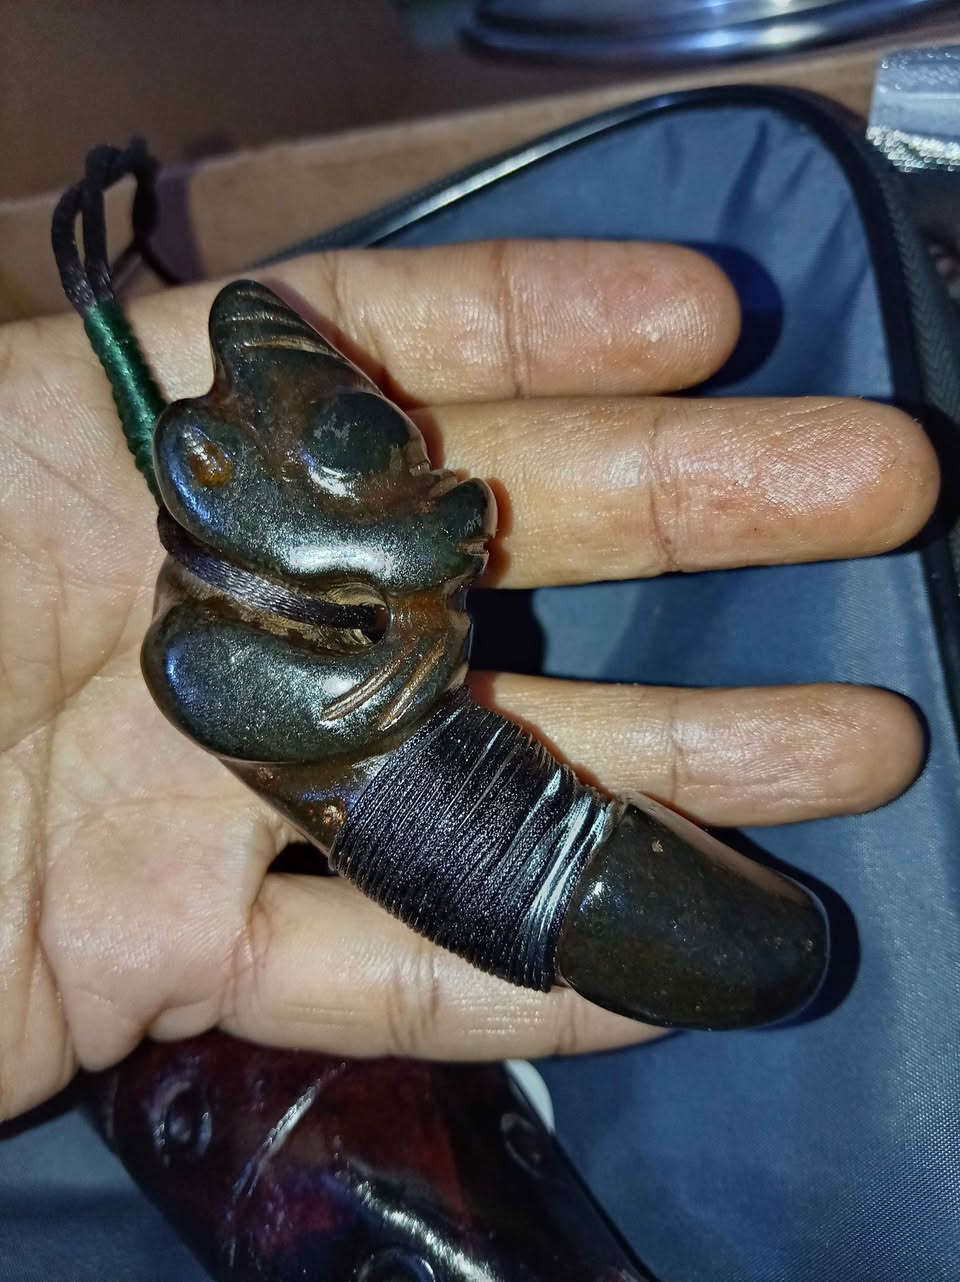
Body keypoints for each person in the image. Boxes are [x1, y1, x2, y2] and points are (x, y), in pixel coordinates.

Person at [0, 238, 938, 1124]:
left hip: (505, 837)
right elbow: (336, 699)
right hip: (487, 846)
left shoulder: (306, 607)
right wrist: (409, 634)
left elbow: (410, 604)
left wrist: (412, 621)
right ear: (210, 471)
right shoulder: (194, 654)